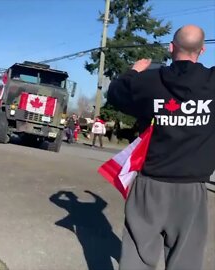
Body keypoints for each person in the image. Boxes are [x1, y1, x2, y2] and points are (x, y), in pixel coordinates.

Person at [107, 25, 214, 270]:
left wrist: (133, 71)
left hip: (149, 186)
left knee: (136, 257)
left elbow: (115, 92)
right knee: (185, 262)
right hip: (191, 189)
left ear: (171, 47)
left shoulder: (148, 82)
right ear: (203, 50)